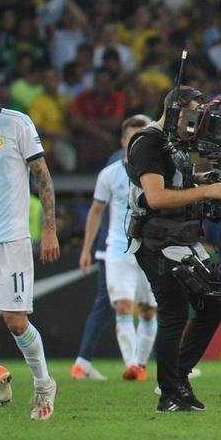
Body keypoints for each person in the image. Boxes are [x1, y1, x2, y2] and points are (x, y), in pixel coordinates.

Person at [126, 87, 221, 412]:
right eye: (193, 111)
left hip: (181, 239)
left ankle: (178, 378)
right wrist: (206, 191)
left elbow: (173, 180)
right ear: (175, 110)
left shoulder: (173, 144)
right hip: (156, 241)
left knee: (212, 306)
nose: (197, 119)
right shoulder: (148, 142)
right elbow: (157, 197)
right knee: (173, 313)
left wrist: (201, 178)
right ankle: (169, 393)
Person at [0, 101, 59, 420]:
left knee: (15, 321)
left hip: (11, 238)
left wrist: (49, 228)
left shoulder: (16, 123)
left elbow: (42, 175)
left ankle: (44, 383)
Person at [78, 115, 158, 381]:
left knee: (148, 310)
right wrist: (86, 249)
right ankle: (132, 365)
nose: (138, 143)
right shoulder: (110, 174)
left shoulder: (159, 171)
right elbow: (96, 211)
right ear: (123, 141)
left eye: (143, 137)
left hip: (151, 248)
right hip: (118, 248)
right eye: (133, 138)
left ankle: (141, 363)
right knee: (123, 307)